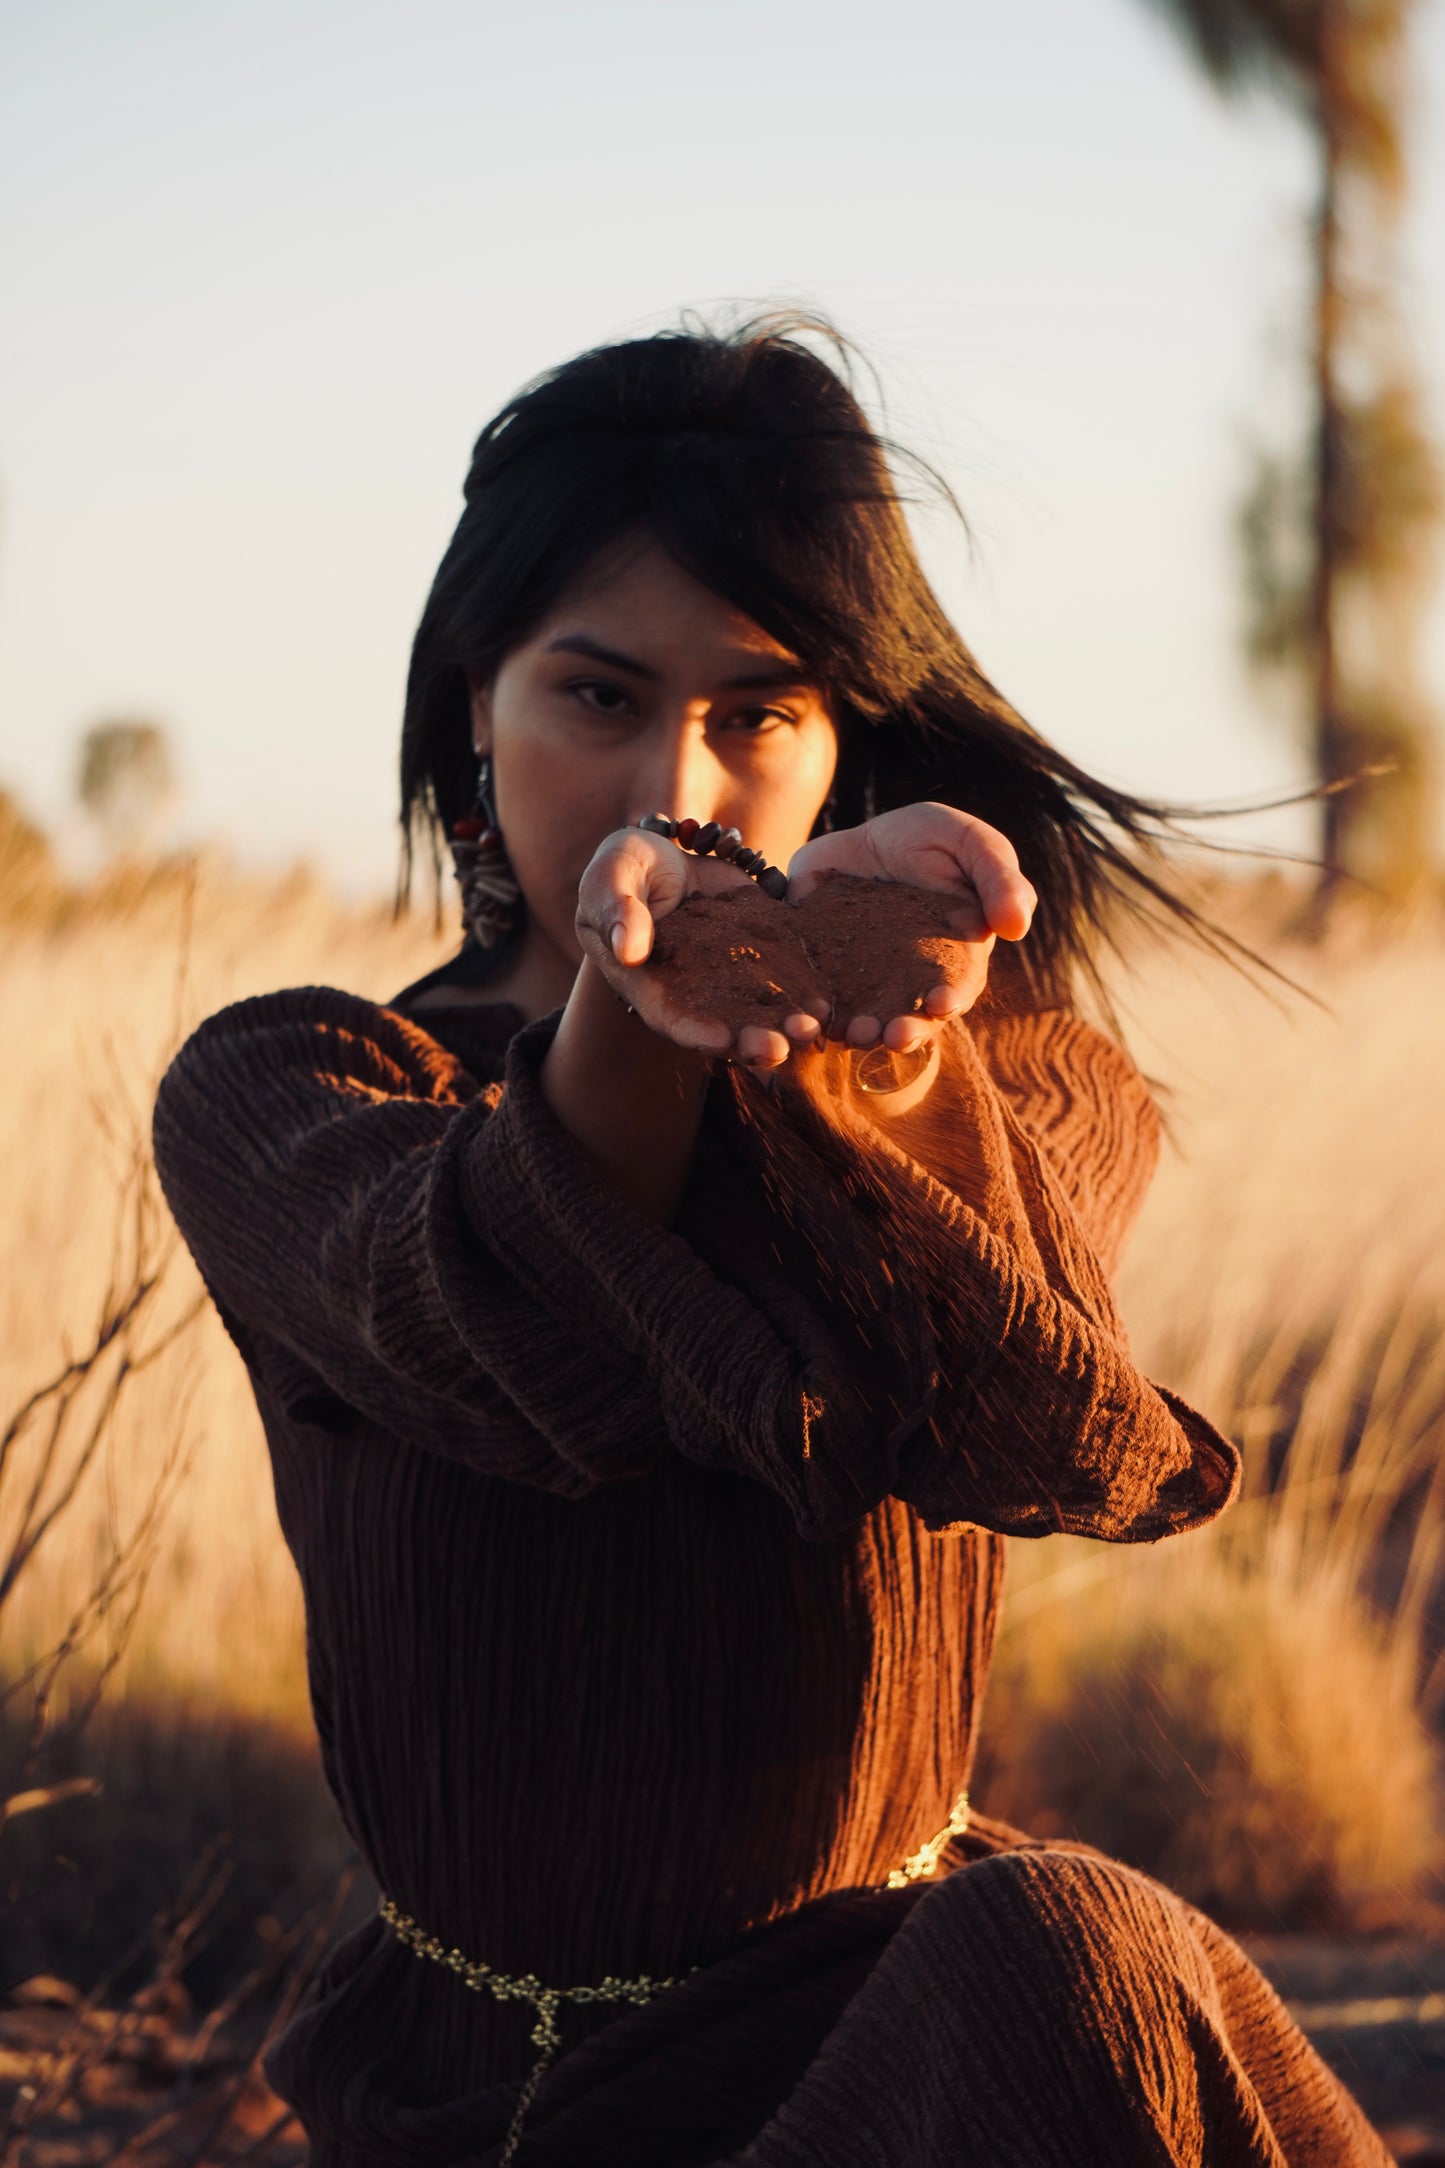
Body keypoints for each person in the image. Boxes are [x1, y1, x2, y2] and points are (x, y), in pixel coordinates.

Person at [152, 320, 1386, 2166]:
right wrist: (645, 1021)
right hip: (513, 2095)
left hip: (905, 2029)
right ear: (468, 708)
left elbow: (1049, 1422)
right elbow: (474, 1310)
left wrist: (876, 1061)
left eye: (758, 715)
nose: (681, 784)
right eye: (596, 698)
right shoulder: (295, 1089)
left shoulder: (1021, 1078)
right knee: (1065, 1954)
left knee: (1081, 1955)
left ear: (842, 746)